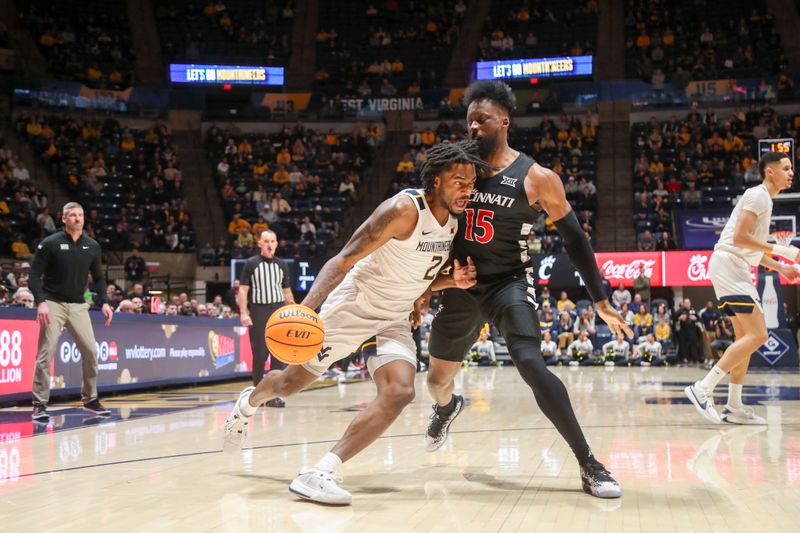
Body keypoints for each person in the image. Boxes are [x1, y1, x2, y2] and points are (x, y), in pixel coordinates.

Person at [223, 141, 490, 504]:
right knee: (288, 384)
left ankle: (322, 471)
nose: (466, 190)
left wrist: (448, 283)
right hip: (354, 307)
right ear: (436, 180)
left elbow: (420, 274)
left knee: (400, 392)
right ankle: (247, 405)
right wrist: (307, 310)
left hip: (393, 318)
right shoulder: (402, 209)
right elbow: (342, 259)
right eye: (459, 181)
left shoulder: (454, 223)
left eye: (470, 183)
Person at [424, 81, 630, 499]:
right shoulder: (459, 169)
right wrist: (421, 289)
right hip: (460, 285)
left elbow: (575, 240)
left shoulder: (537, 177)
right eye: (468, 123)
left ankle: (589, 463)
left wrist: (601, 298)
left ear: (504, 121)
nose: (473, 129)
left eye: (481, 121)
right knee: (435, 382)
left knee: (530, 363)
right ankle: (447, 408)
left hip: (508, 282)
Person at [686, 151, 799, 425]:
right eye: (786, 168)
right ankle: (703, 388)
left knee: (745, 340)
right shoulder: (758, 195)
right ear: (770, 171)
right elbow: (739, 237)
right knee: (759, 335)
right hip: (730, 265)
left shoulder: (765, 200)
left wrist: (781, 267)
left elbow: (748, 247)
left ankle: (734, 406)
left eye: (792, 168)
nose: (791, 172)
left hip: (733, 265)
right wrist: (784, 251)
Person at [28, 202, 114, 421]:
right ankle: (39, 404)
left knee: (91, 352)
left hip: (78, 305)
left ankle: (90, 399)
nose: (77, 219)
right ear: (63, 219)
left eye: (80, 215)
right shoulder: (50, 243)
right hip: (53, 303)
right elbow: (34, 276)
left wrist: (104, 302)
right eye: (73, 215)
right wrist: (41, 302)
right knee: (46, 353)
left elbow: (99, 277)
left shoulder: (92, 246)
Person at [238, 230, 295, 405]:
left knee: (278, 354)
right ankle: (257, 394)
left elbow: (286, 291)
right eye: (266, 241)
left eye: (272, 241)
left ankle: (273, 395)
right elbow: (243, 290)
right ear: (259, 244)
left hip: (278, 310)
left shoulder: (282, 264)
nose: (270, 244)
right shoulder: (251, 263)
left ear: (277, 244)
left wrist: (293, 310)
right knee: (261, 354)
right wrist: (244, 313)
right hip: (259, 310)